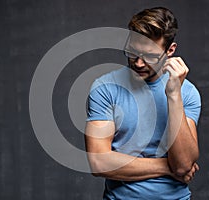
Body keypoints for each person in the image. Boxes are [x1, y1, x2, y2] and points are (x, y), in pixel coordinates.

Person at [84, 7, 201, 200]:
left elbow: (183, 163)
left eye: (150, 56)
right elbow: (99, 162)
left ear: (170, 51)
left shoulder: (187, 92)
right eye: (132, 53)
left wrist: (173, 95)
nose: (138, 63)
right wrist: (168, 167)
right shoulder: (105, 88)